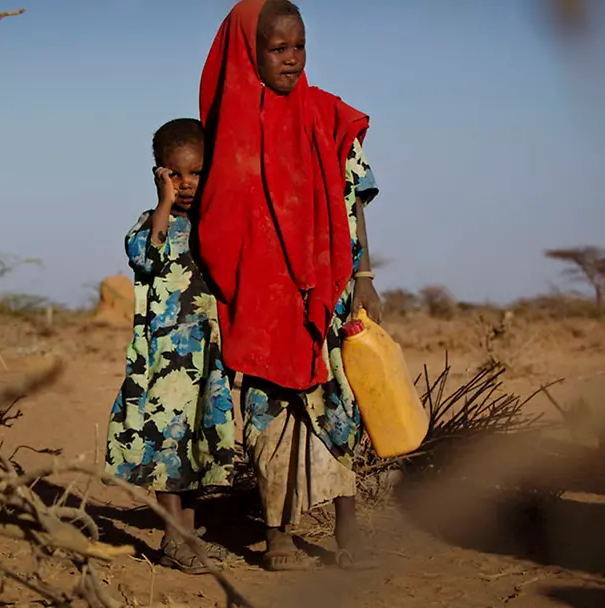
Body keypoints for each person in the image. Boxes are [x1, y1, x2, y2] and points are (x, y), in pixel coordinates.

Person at [197, 0, 383, 571]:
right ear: (249, 52)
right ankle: (278, 532)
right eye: (279, 49)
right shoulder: (228, 129)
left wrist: (365, 276)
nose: (293, 60)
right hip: (259, 298)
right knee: (268, 410)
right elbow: (214, 218)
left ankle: (348, 532)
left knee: (340, 403)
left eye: (300, 47)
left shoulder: (328, 114)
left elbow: (353, 199)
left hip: (326, 290)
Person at [105, 118, 236, 575]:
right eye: (174, 174)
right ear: (158, 173)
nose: (185, 185)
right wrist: (163, 204)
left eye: (196, 173)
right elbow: (147, 255)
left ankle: (188, 536)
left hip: (206, 358)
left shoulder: (214, 225)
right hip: (164, 360)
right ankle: (172, 539)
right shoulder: (151, 224)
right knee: (167, 445)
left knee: (196, 445)